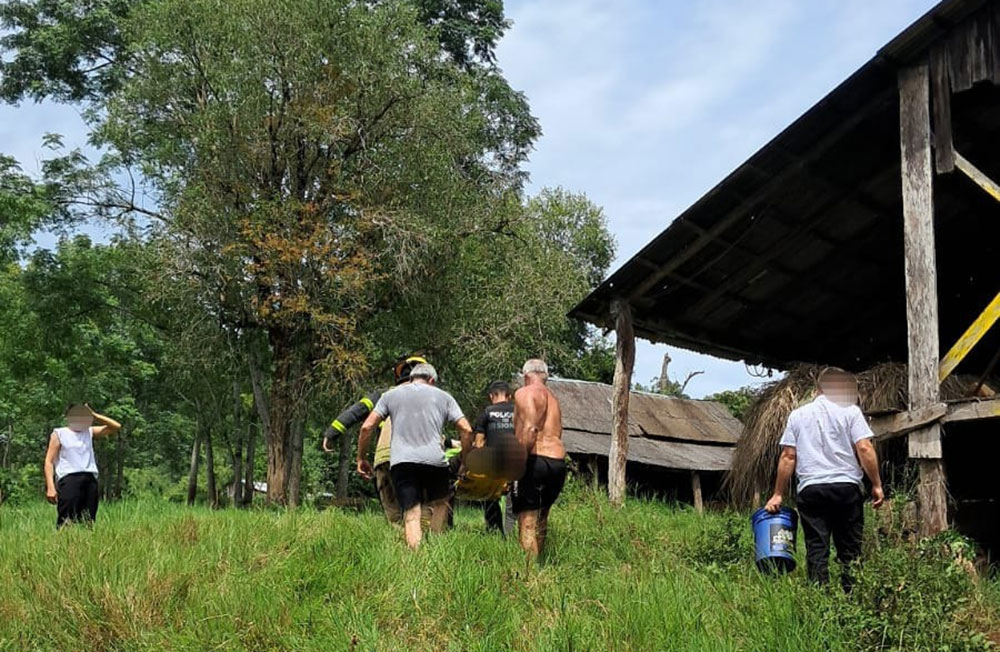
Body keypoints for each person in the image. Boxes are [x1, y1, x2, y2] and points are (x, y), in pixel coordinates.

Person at [765, 367, 885, 591]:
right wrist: (876, 484)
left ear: (817, 389)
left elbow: (788, 456)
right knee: (850, 549)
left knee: (817, 548)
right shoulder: (850, 411)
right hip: (846, 488)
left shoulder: (798, 415)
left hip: (811, 490)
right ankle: (853, 600)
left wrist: (778, 494)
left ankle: (820, 603)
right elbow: (864, 448)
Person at [358, 363, 472, 549]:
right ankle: (435, 547)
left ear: (411, 379)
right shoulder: (444, 397)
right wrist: (465, 463)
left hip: (403, 463)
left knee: (411, 515)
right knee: (440, 505)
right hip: (435, 462)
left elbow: (366, 427)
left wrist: (361, 458)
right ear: (432, 380)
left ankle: (417, 560)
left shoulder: (390, 395)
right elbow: (466, 430)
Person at [322, 355, 428, 523]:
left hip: (386, 458)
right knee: (421, 517)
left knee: (394, 517)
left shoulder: (384, 395)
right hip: (419, 459)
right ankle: (422, 546)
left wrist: (332, 433)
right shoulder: (431, 396)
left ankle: (397, 545)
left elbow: (358, 412)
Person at [511, 359, 566, 558]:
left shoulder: (525, 393)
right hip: (557, 463)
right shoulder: (554, 399)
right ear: (545, 376)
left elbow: (530, 428)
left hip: (534, 460)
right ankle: (539, 566)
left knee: (527, 522)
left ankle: (529, 576)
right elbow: (557, 433)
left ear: (525, 375)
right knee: (542, 519)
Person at [43, 403, 121, 528]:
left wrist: (94, 415)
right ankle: (62, 544)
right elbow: (48, 461)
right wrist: (50, 487)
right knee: (66, 520)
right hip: (69, 480)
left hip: (89, 479)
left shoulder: (89, 432)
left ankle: (84, 545)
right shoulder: (59, 433)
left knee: (88, 520)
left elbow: (115, 426)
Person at [470, 380, 524, 535]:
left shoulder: (487, 412)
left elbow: (479, 444)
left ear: (491, 396)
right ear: (509, 396)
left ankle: (494, 533)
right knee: (512, 504)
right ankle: (511, 537)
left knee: (490, 498)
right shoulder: (519, 412)